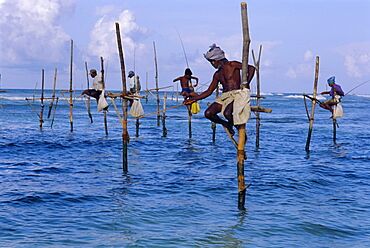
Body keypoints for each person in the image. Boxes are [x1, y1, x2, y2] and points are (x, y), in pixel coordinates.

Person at [184, 44, 255, 136]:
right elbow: (209, 91)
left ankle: (241, 133)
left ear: (215, 61)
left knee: (227, 113)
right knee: (208, 113)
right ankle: (227, 124)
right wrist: (193, 99)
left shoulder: (232, 64)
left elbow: (251, 68)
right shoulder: (217, 74)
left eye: (211, 62)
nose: (212, 65)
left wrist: (246, 83)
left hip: (237, 94)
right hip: (225, 97)